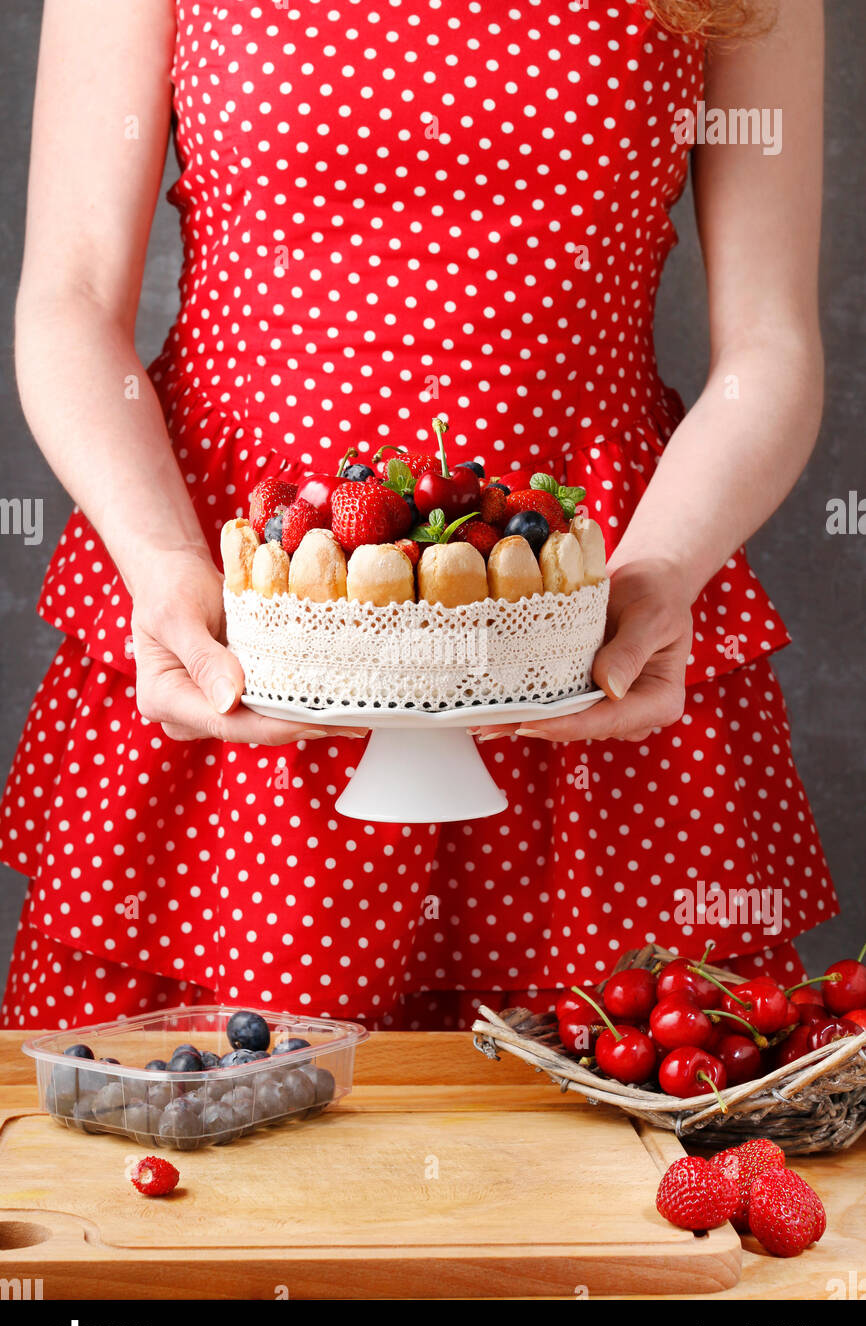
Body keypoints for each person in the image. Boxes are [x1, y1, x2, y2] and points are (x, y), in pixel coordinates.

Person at [0, 0, 836, 1030]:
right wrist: (161, 558)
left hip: (589, 624)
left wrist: (662, 570)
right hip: (234, 618)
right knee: (183, 1150)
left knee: (609, 1164)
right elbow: (71, 299)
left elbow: (771, 345)